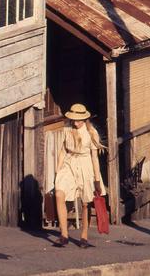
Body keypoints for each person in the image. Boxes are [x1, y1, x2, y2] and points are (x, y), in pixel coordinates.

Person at [54, 103, 105, 248]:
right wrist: (58, 171)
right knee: (59, 194)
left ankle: (84, 236)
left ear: (84, 119)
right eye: (73, 119)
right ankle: (64, 235)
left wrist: (96, 180)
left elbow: (94, 157)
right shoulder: (67, 130)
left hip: (85, 165)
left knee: (85, 202)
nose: (75, 122)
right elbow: (63, 150)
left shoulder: (91, 132)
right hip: (69, 164)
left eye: (78, 119)